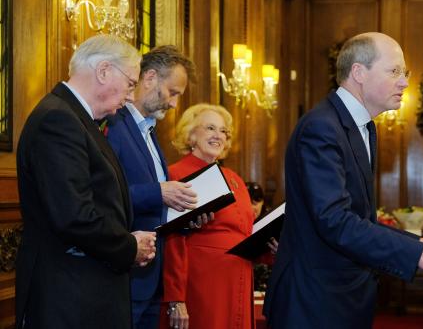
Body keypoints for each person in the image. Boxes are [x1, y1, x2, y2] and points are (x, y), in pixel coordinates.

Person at [263, 32, 423, 329]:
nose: (405, 82)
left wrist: (416, 242)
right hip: (314, 302)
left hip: (341, 296)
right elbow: (334, 220)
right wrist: (417, 253)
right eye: (395, 71)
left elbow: (360, 219)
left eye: (404, 72)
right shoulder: (321, 127)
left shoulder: (363, 127)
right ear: (359, 72)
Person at [15, 34, 157, 329]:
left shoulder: (76, 118)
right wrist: (129, 246)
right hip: (70, 297)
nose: (131, 96)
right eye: (131, 83)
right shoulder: (59, 120)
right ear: (104, 71)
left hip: (85, 292)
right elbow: (74, 216)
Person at [106, 45, 204, 328]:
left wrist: (186, 218)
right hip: (126, 271)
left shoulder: (149, 131)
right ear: (149, 78)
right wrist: (160, 192)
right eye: (172, 92)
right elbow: (108, 192)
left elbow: (160, 203)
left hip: (152, 275)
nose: (174, 104)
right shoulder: (114, 125)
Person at [159, 104, 254, 329]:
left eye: (223, 131)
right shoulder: (176, 175)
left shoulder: (235, 179)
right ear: (191, 134)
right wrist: (176, 297)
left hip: (239, 279)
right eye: (210, 128)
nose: (218, 135)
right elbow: (173, 241)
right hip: (202, 284)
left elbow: (246, 231)